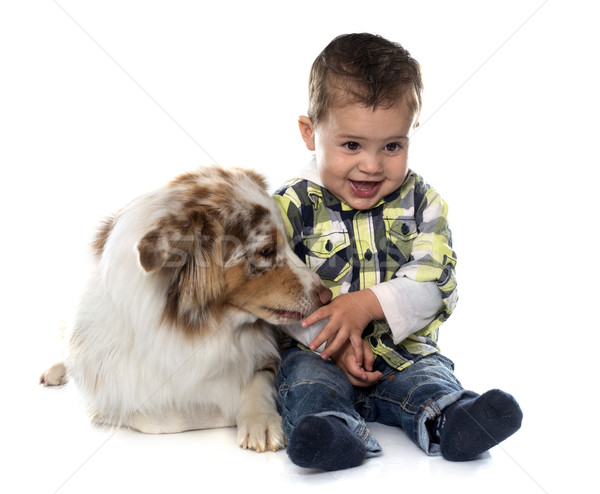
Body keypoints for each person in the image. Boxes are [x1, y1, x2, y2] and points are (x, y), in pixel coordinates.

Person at [272, 33, 522, 471]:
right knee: (306, 382)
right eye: (351, 145)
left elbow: (434, 280)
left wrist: (366, 305)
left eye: (392, 145)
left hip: (403, 352)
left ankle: (456, 421)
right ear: (310, 134)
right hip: (317, 352)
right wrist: (333, 342)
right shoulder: (290, 207)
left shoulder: (423, 202)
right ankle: (331, 433)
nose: (372, 165)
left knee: (428, 379)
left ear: (411, 133)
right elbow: (274, 293)